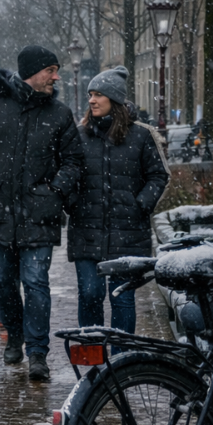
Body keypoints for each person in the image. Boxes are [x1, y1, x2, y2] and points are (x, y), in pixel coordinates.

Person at [0, 45, 84, 381]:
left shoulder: (59, 114)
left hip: (40, 213)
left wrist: (55, 190)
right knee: (1, 282)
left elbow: (74, 160)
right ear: (33, 72)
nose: (56, 77)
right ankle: (15, 332)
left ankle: (37, 351)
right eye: (51, 70)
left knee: (36, 282)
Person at [67, 67, 168, 350]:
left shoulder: (141, 136)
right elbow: (66, 174)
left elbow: (158, 176)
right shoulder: (79, 136)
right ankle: (93, 359)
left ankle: (122, 361)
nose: (92, 100)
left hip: (128, 232)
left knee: (122, 297)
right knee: (90, 294)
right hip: (86, 229)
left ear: (114, 99)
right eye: (90, 94)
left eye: (98, 94)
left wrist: (140, 205)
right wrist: (71, 203)